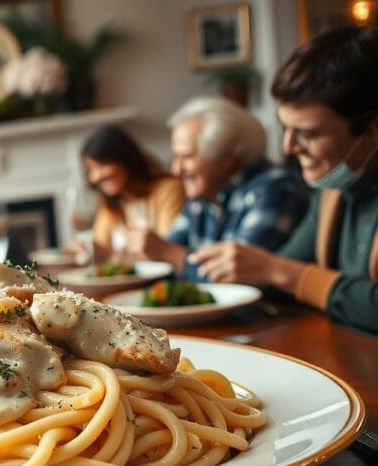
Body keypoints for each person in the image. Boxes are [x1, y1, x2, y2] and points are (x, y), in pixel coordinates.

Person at [188, 26, 378, 333]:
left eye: (307, 133)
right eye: (285, 128)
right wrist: (250, 267)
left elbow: (285, 273)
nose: (288, 147)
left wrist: (282, 272)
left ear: (373, 128)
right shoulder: (331, 190)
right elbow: (279, 274)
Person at [126, 96, 311, 280]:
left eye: (187, 157)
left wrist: (167, 252)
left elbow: (238, 274)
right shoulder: (203, 196)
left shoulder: (276, 188)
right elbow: (164, 265)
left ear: (227, 156)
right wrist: (158, 253)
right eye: (175, 157)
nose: (176, 170)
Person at [79, 125, 186, 261]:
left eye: (102, 166)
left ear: (125, 161)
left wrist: (112, 255)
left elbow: (166, 252)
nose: (95, 177)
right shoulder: (111, 202)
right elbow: (98, 244)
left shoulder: (168, 190)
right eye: (91, 169)